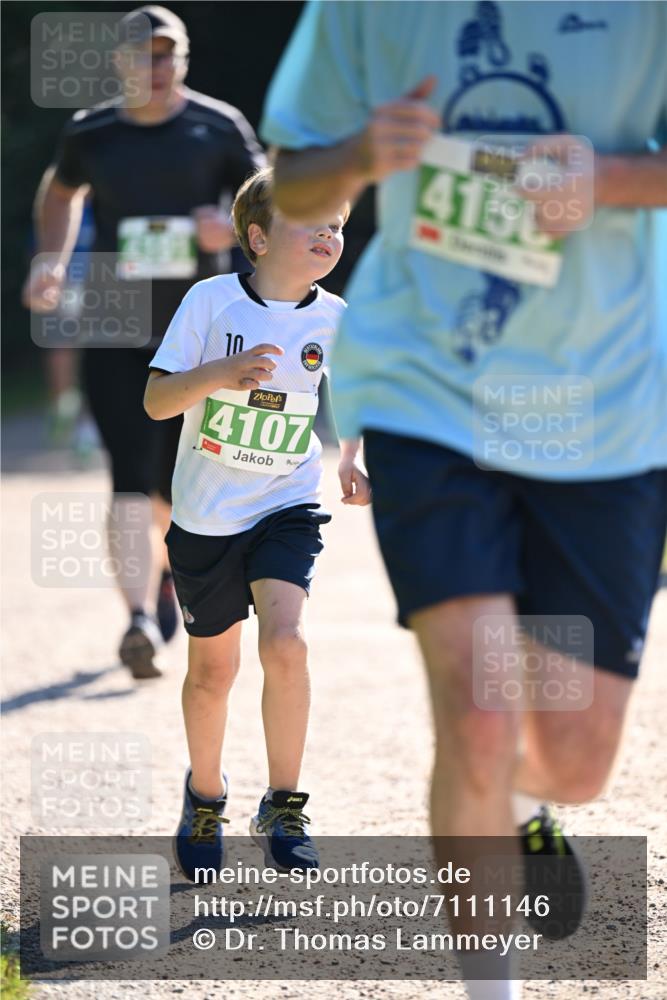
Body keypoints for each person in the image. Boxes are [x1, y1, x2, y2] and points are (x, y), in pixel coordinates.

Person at [261, 1, 667, 996]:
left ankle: (527, 802)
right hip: (426, 389)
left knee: (571, 759)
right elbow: (291, 172)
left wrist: (607, 178)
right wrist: (359, 150)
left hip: (600, 405)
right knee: (478, 712)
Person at [22, 5, 265, 678]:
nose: (154, 68)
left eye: (166, 55)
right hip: (115, 317)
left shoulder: (216, 125)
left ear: (182, 60)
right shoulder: (91, 131)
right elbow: (60, 194)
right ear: (118, 62)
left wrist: (232, 226)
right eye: (141, 55)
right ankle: (135, 618)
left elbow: (265, 200)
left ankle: (162, 578)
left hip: (197, 326)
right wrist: (50, 259)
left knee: (172, 484)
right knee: (128, 478)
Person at [144, 166, 370, 878]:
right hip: (207, 516)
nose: (330, 237)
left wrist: (351, 459)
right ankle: (204, 795)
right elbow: (156, 401)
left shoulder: (333, 318)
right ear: (259, 236)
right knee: (213, 671)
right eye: (314, 224)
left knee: (288, 643)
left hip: (286, 501)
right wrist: (221, 373)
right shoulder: (211, 301)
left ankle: (284, 802)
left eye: (336, 225)